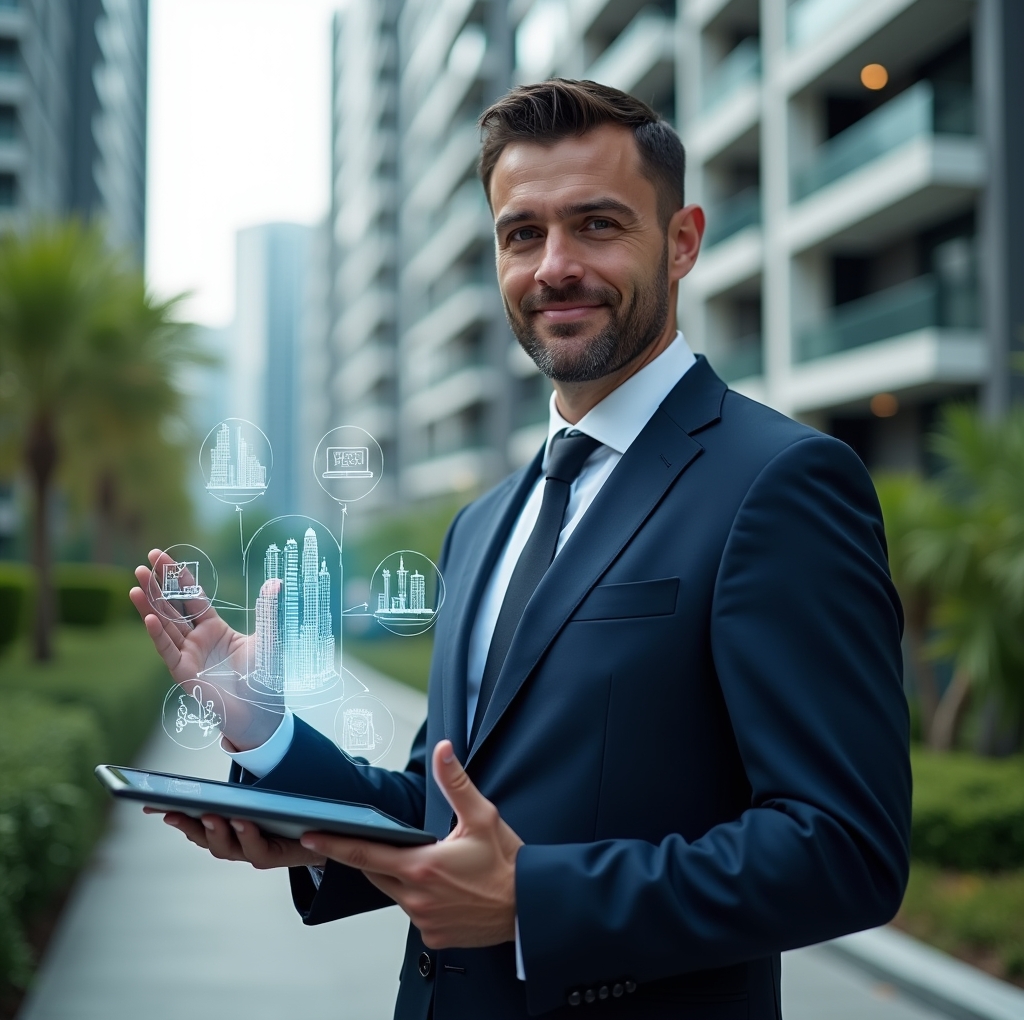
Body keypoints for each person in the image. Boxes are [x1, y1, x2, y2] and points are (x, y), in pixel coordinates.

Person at [132, 79, 911, 1019]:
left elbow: (845, 848)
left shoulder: (781, 482)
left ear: (683, 241)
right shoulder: (485, 521)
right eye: (522, 234)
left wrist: (533, 899)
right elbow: (445, 804)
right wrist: (271, 742)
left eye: (597, 224)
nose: (555, 267)